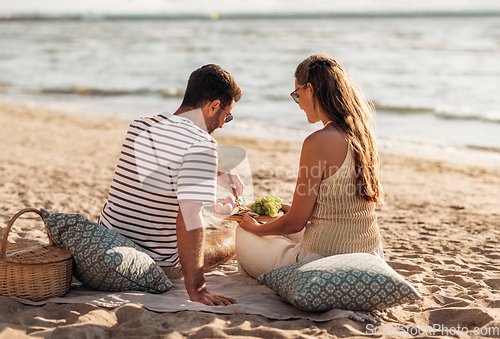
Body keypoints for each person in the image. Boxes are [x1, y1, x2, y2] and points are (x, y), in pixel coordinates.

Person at [98, 64, 245, 306]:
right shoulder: (203, 143)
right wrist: (197, 290)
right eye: (227, 115)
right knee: (233, 236)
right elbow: (189, 218)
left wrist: (216, 174)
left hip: (109, 241)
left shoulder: (140, 125)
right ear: (214, 105)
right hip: (157, 263)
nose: (222, 124)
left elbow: (162, 166)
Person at [236, 54, 384, 278]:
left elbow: (294, 224)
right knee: (277, 229)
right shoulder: (363, 136)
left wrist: (255, 229)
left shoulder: (317, 141)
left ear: (311, 89)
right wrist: (291, 209)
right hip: (369, 254)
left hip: (322, 260)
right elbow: (339, 206)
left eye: (297, 94)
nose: (298, 103)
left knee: (243, 234)